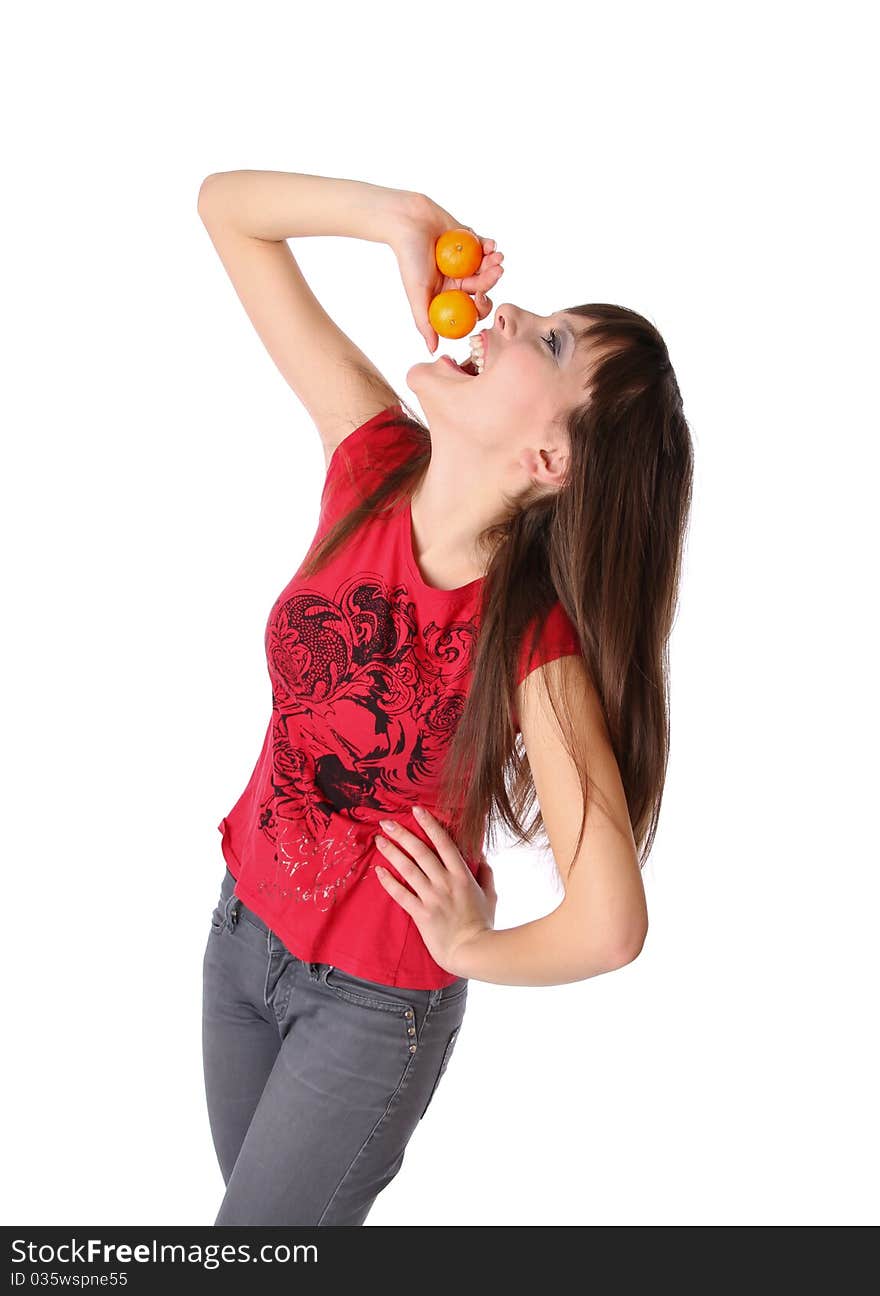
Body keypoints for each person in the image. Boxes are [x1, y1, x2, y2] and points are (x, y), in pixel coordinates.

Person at [197, 170, 694, 1226]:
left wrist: (470, 947)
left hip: (369, 1009)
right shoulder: (370, 460)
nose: (506, 310)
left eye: (551, 343)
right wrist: (398, 219)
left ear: (550, 457)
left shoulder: (533, 646)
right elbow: (226, 210)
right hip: (241, 941)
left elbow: (609, 924)